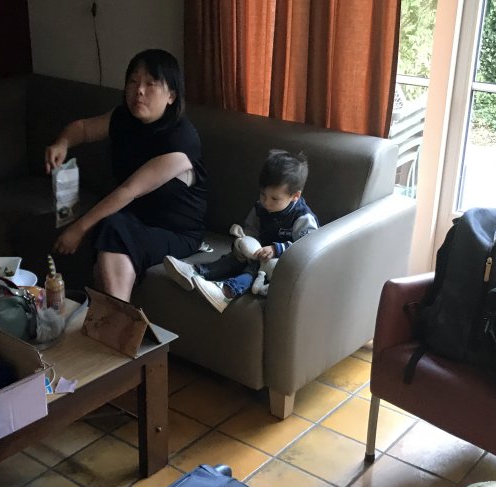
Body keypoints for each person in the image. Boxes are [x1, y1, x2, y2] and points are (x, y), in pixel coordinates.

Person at [46, 49, 207, 302]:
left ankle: (115, 318)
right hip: (134, 218)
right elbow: (84, 129)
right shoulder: (123, 117)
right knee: (110, 228)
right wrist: (62, 143)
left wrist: (79, 228)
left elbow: (129, 190)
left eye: (150, 84)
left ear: (171, 96)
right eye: (133, 81)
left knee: (112, 228)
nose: (139, 90)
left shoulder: (181, 141)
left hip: (175, 231)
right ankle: (109, 319)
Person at [163, 150, 318, 313]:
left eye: (274, 198)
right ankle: (195, 272)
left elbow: (306, 248)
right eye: (263, 194)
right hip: (258, 253)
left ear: (295, 196)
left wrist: (275, 249)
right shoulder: (261, 207)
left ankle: (226, 292)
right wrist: (245, 245)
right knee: (233, 259)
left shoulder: (302, 217)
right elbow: (251, 228)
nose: (266, 202)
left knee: (252, 269)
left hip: (278, 266)